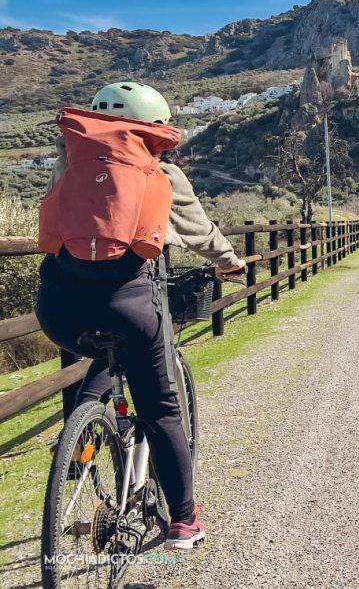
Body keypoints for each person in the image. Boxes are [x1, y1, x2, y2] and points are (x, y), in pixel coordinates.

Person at [37, 82, 246, 551]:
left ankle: (82, 445)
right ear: (154, 127)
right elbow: (200, 233)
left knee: (95, 356)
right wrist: (230, 261)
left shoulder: (67, 164)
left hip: (59, 306)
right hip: (131, 303)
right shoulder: (162, 172)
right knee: (162, 408)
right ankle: (185, 521)